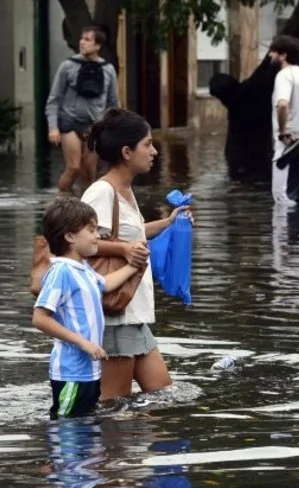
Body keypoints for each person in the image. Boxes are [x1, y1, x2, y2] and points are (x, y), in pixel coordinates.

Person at [80, 108, 193, 400]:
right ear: (127, 151)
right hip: (117, 316)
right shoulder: (101, 192)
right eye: (148, 144)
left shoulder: (125, 191)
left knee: (162, 393)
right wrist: (124, 249)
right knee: (113, 405)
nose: (154, 151)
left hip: (133, 312)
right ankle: (107, 446)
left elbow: (134, 232)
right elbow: (81, 245)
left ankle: (132, 446)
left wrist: (169, 222)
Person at [31, 197, 141, 418]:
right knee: (67, 427)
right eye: (91, 230)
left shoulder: (83, 269)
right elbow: (40, 318)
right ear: (70, 236)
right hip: (71, 372)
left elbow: (106, 284)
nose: (97, 236)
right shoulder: (61, 272)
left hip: (88, 372)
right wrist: (83, 343)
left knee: (85, 427)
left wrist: (135, 266)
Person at [45, 26, 119, 195]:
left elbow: (114, 103)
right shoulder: (67, 66)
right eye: (81, 38)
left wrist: (113, 129)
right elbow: (54, 99)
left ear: (98, 45)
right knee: (73, 167)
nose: (82, 42)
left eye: (87, 39)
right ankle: (61, 204)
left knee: (89, 173)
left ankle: (84, 209)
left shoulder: (108, 69)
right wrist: (53, 127)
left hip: (94, 126)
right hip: (69, 123)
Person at [269, 35, 299, 207]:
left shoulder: (284, 76)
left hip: (291, 147)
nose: (270, 56)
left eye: (273, 52)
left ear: (283, 56)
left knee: (283, 201)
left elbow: (282, 105)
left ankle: (286, 235)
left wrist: (282, 133)